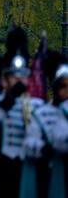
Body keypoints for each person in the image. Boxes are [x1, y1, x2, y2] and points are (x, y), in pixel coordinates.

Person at [0, 28, 44, 197]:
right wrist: (8, 101)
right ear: (5, 79)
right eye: (14, 76)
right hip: (1, 167)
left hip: (27, 166)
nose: (18, 80)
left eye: (22, 76)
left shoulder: (36, 105)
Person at [23, 50, 68, 197]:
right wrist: (44, 148)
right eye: (63, 86)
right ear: (55, 87)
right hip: (49, 175)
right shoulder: (41, 114)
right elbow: (29, 145)